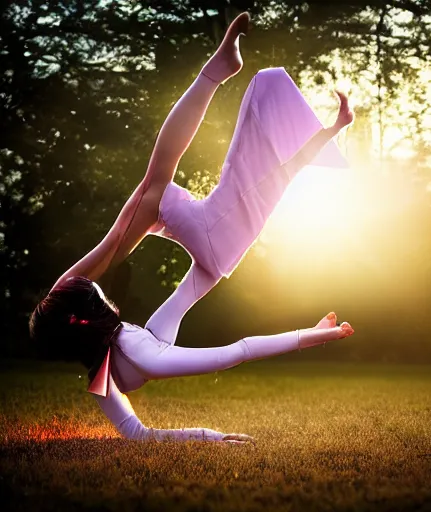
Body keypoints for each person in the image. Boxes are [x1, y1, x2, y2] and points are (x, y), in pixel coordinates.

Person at [29, 12, 355, 443]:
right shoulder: (138, 351)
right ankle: (214, 73)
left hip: (217, 248)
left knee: (238, 181)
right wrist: (306, 337)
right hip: (213, 240)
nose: (102, 289)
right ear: (86, 321)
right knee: (153, 187)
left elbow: (139, 435)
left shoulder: (103, 372)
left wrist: (332, 130)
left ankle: (220, 73)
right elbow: (235, 351)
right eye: (97, 295)